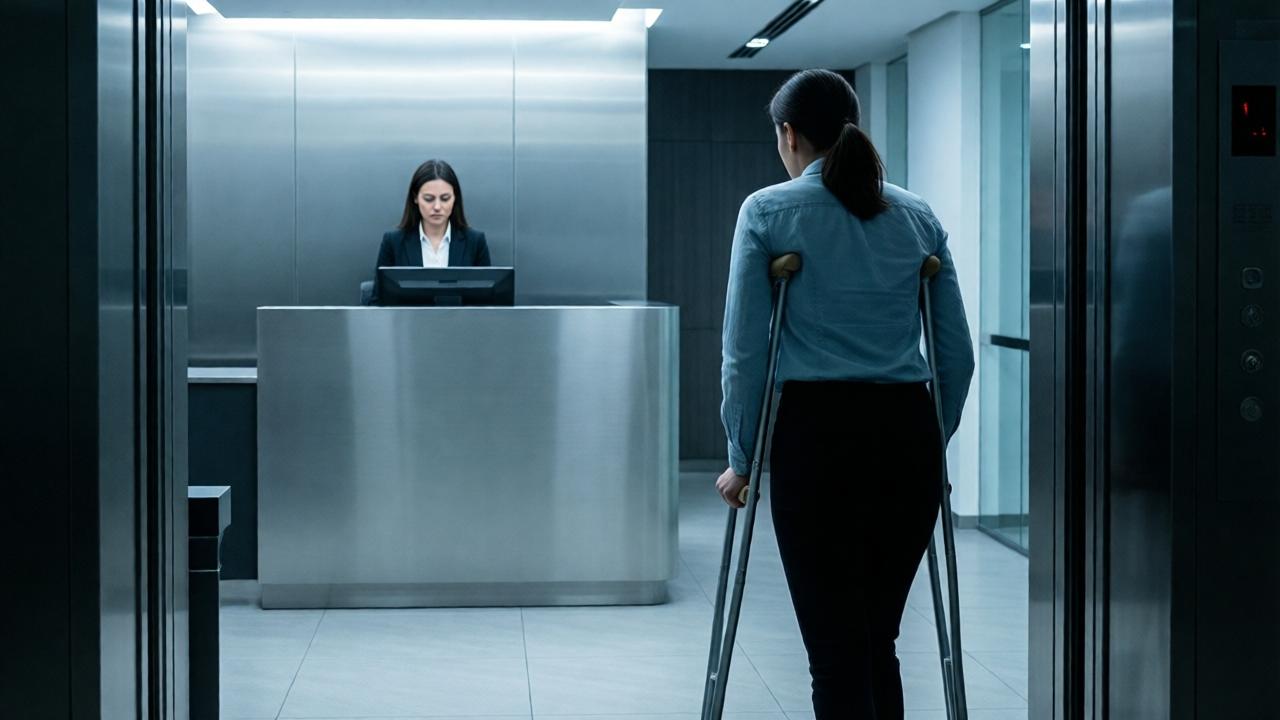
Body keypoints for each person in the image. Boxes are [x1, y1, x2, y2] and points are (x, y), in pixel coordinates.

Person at [716, 69, 975, 719]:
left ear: (789, 135)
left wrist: (741, 457)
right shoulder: (916, 216)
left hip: (817, 437)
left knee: (835, 652)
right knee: (875, 640)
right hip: (907, 434)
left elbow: (746, 352)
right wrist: (927, 440)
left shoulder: (769, 211)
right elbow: (957, 357)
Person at [370, 159, 491, 305]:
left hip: (460, 326)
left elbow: (486, 304)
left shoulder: (475, 242)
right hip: (407, 326)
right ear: (415, 198)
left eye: (445, 199)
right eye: (429, 199)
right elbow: (377, 304)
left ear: (455, 199)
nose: (437, 207)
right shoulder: (393, 242)